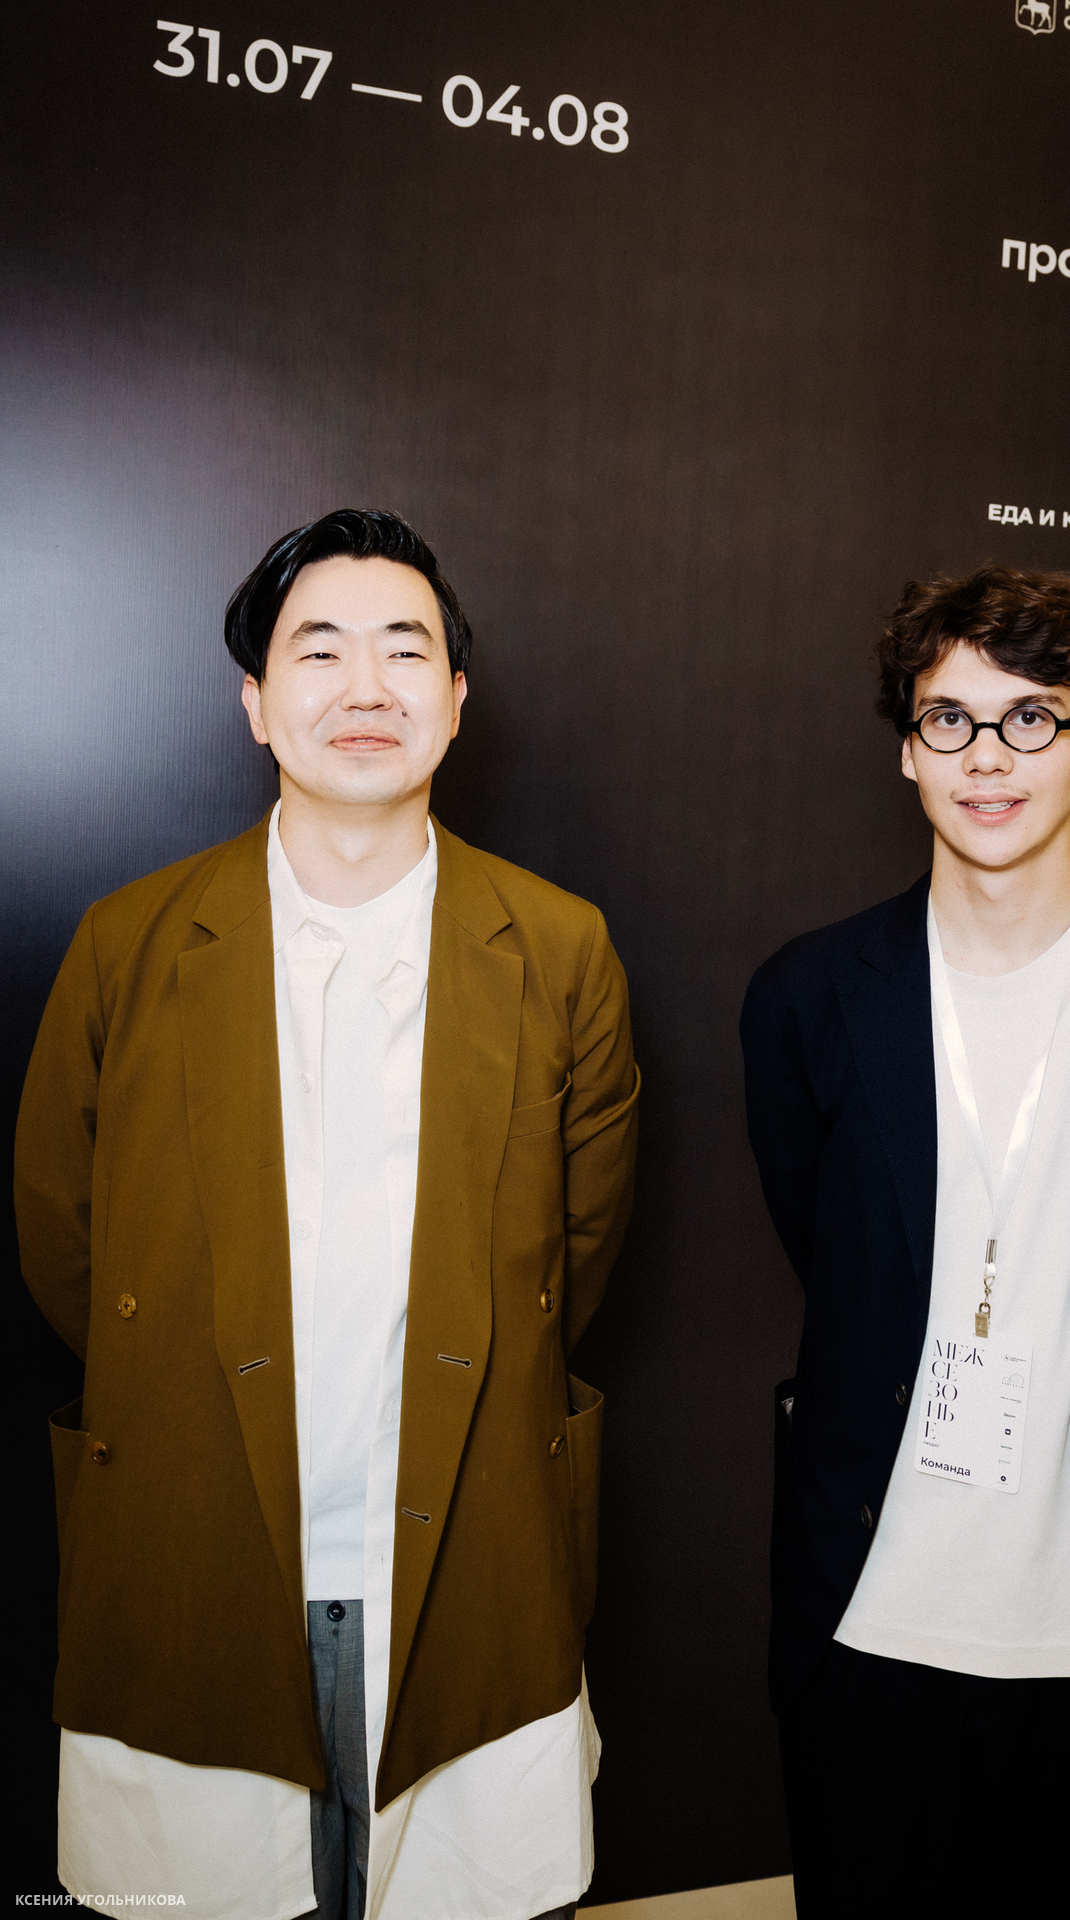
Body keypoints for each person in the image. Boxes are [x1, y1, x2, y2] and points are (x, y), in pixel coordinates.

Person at [16, 508, 640, 1920]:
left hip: (467, 1535)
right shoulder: (129, 943)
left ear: (457, 699)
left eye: (405, 650)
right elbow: (66, 1243)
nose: (366, 686)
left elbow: (577, 1253)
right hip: (199, 1526)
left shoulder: (559, 947)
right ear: (255, 701)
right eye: (320, 650)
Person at [739, 565, 1070, 1917]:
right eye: (950, 719)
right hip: (871, 1620)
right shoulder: (807, 997)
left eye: (1032, 717)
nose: (989, 757)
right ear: (907, 750)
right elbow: (828, 1247)